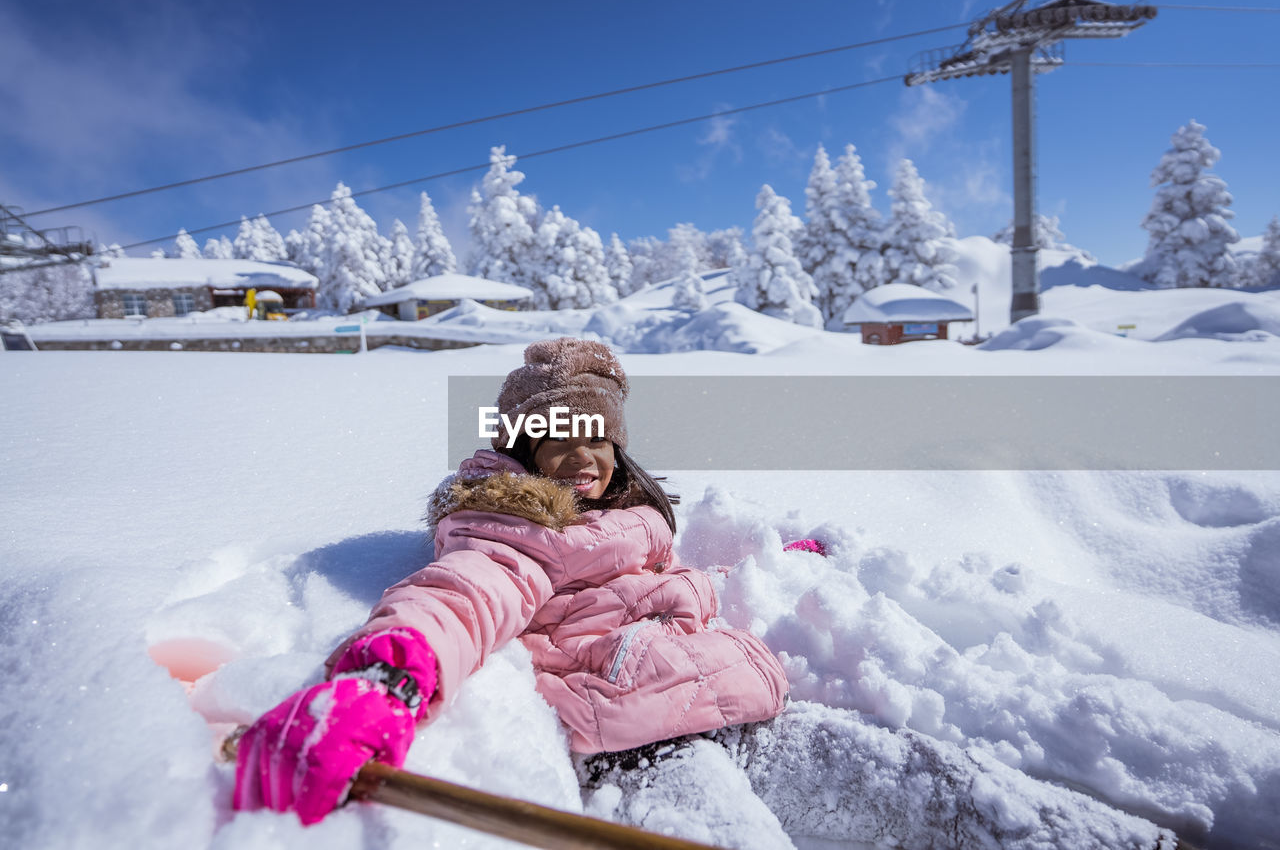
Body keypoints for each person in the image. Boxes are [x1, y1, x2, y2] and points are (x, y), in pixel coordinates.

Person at [233, 337, 1177, 850]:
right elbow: (459, 596)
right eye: (559, 435)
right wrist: (379, 682)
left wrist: (780, 559)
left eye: (598, 436)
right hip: (638, 751)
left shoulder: (628, 522)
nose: (585, 453)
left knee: (961, 798)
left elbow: (665, 593)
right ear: (521, 446)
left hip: (738, 712)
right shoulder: (511, 528)